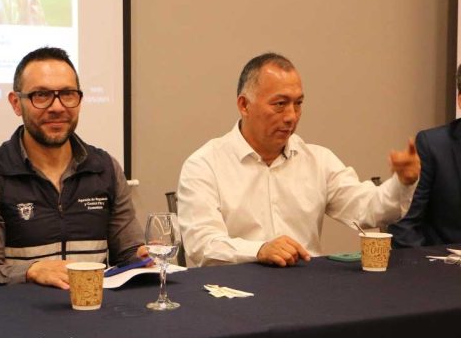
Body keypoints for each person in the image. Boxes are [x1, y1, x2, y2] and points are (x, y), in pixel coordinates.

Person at [177, 52, 420, 267]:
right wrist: (259, 250)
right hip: (233, 292)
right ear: (244, 105)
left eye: (298, 104)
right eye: (280, 104)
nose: (291, 116)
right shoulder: (205, 165)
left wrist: (403, 182)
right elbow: (202, 245)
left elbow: (369, 211)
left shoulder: (318, 161)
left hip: (306, 289)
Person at [0, 47, 146, 289]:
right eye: (42, 95)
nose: (57, 107)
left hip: (94, 306)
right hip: (19, 310)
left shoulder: (105, 169)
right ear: (16, 103)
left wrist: (143, 256)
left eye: (67, 94)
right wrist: (31, 271)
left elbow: (128, 253)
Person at [388, 65, 461, 248]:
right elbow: (404, 226)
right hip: (445, 262)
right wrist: (429, 262)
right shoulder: (434, 146)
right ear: (460, 101)